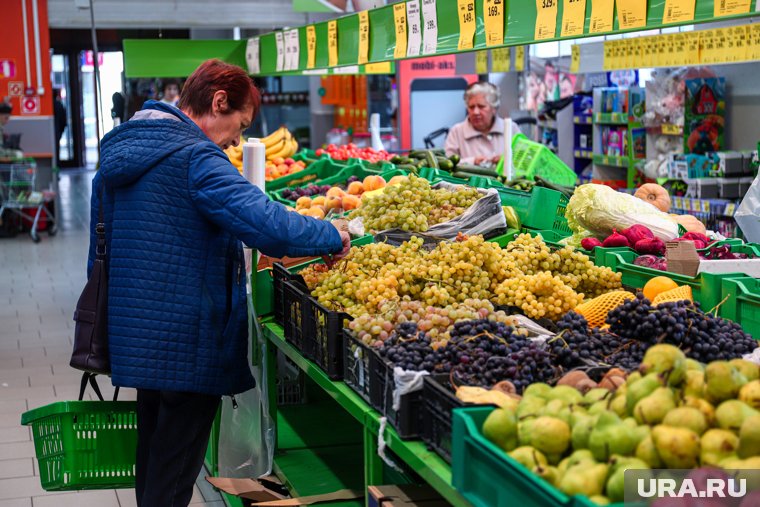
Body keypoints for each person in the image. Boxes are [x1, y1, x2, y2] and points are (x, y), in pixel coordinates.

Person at [88, 59, 350, 507]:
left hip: (139, 334)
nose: (237, 139)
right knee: (172, 478)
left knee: (154, 458)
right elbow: (267, 225)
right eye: (239, 125)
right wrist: (332, 234)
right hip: (187, 340)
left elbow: (100, 246)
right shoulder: (195, 157)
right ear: (218, 101)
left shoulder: (123, 150)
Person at [444, 82, 521, 166]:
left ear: (494, 108)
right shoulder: (457, 131)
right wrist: (472, 162)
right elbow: (447, 163)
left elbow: (525, 161)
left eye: (481, 106)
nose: (475, 112)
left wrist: (505, 161)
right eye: (471, 107)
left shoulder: (510, 128)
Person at [53, 89, 67, 165]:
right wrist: (61, 131)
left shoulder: (48, 105)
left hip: (51, 132)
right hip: (57, 131)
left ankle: (55, 168)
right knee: (57, 150)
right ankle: (57, 169)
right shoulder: (59, 105)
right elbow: (63, 120)